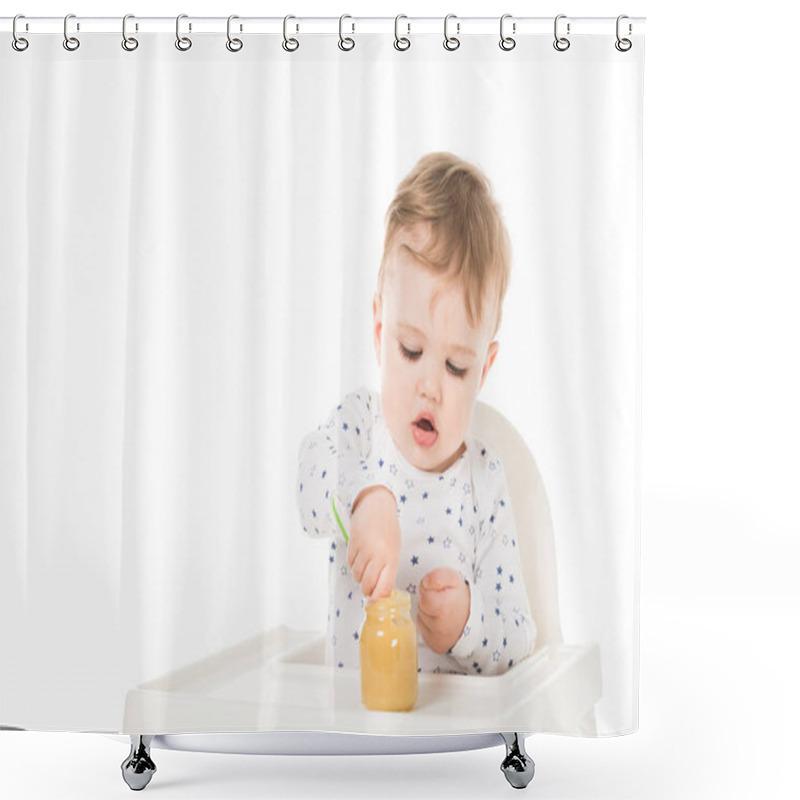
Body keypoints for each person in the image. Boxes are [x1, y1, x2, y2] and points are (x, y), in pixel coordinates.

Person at [296, 152, 535, 676]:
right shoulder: (360, 430)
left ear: (484, 368)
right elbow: (309, 486)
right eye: (410, 350)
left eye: (455, 365)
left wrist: (467, 623)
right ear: (381, 332)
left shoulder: (484, 480)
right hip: (355, 735)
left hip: (448, 742)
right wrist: (364, 498)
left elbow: (519, 635)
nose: (430, 387)